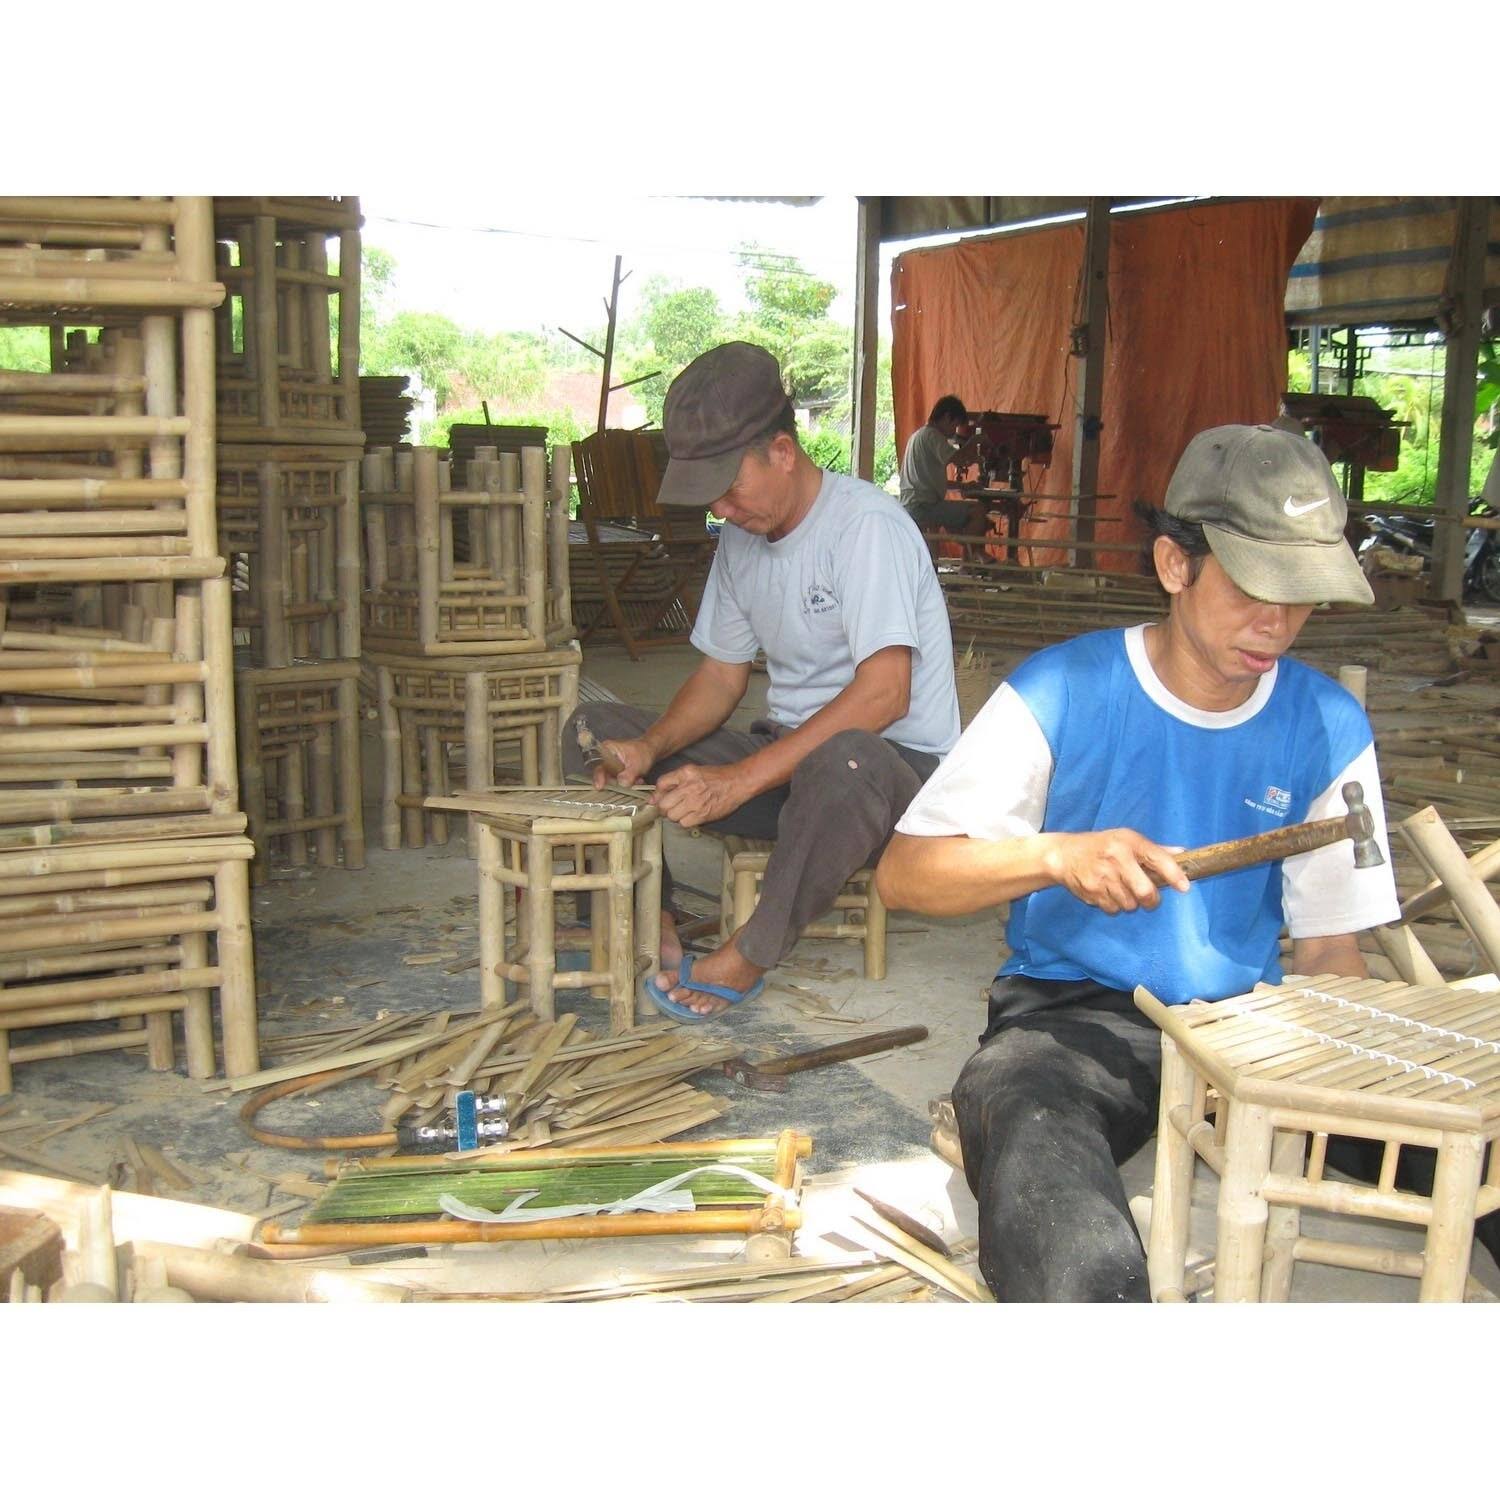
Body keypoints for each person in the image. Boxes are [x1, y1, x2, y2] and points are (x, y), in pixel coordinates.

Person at [875, 423, 1405, 1301]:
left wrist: (1358, 1062)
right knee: (1031, 1130)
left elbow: (1328, 950)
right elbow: (906, 875)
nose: (1276, 624)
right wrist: (1055, 856)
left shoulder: (1327, 724)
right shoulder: (1063, 689)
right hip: (1080, 1012)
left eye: (1301, 596)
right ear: (1173, 564)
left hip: (1251, 1019)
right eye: (1253, 588)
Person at [563, 341, 960, 1021]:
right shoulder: (742, 540)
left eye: (729, 487)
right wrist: (650, 748)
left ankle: (748, 953)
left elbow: (885, 695)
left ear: (781, 452)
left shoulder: (866, 528)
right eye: (708, 496)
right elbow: (721, 678)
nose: (721, 509)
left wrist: (739, 780)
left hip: (887, 777)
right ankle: (651, 918)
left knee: (845, 757)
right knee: (591, 730)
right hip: (789, 768)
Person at [899, 395, 985, 534]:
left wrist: (962, 486)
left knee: (954, 520)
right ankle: (972, 547)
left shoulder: (917, 435)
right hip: (923, 508)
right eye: (955, 425)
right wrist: (975, 440)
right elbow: (960, 459)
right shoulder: (933, 436)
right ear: (947, 417)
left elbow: (930, 481)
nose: (954, 432)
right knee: (978, 511)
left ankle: (963, 545)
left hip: (911, 505)